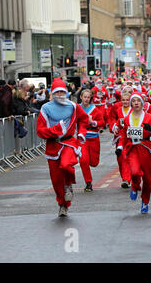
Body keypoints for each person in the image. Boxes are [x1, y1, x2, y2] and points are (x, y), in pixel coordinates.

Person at [36, 78, 90, 217]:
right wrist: (56, 129)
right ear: (53, 93)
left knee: (66, 165)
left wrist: (82, 133)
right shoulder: (46, 108)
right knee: (55, 180)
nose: (60, 94)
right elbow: (40, 131)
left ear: (66, 92)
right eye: (57, 92)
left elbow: (84, 119)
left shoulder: (73, 106)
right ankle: (62, 204)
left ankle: (69, 184)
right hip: (53, 145)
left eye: (62, 92)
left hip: (69, 143)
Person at [116, 92, 151, 214]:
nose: (136, 103)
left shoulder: (150, 117)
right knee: (134, 171)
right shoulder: (127, 119)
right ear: (131, 104)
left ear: (142, 103)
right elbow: (123, 134)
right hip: (132, 148)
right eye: (134, 101)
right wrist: (120, 146)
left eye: (138, 101)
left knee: (148, 178)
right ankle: (135, 186)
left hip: (145, 148)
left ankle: (145, 201)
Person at [78, 89, 105, 192]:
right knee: (83, 161)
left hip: (93, 138)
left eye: (88, 97)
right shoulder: (77, 109)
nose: (86, 99)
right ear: (81, 97)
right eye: (84, 97)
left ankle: (92, 163)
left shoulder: (95, 109)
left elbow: (102, 122)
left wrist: (93, 122)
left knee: (93, 163)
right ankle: (88, 182)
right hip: (82, 139)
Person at [108, 91, 133, 188]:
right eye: (123, 100)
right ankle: (125, 178)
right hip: (119, 137)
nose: (125, 102)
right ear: (121, 100)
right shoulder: (117, 110)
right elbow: (112, 119)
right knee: (120, 159)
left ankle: (127, 178)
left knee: (127, 157)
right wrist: (114, 127)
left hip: (131, 138)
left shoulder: (133, 110)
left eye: (127, 100)